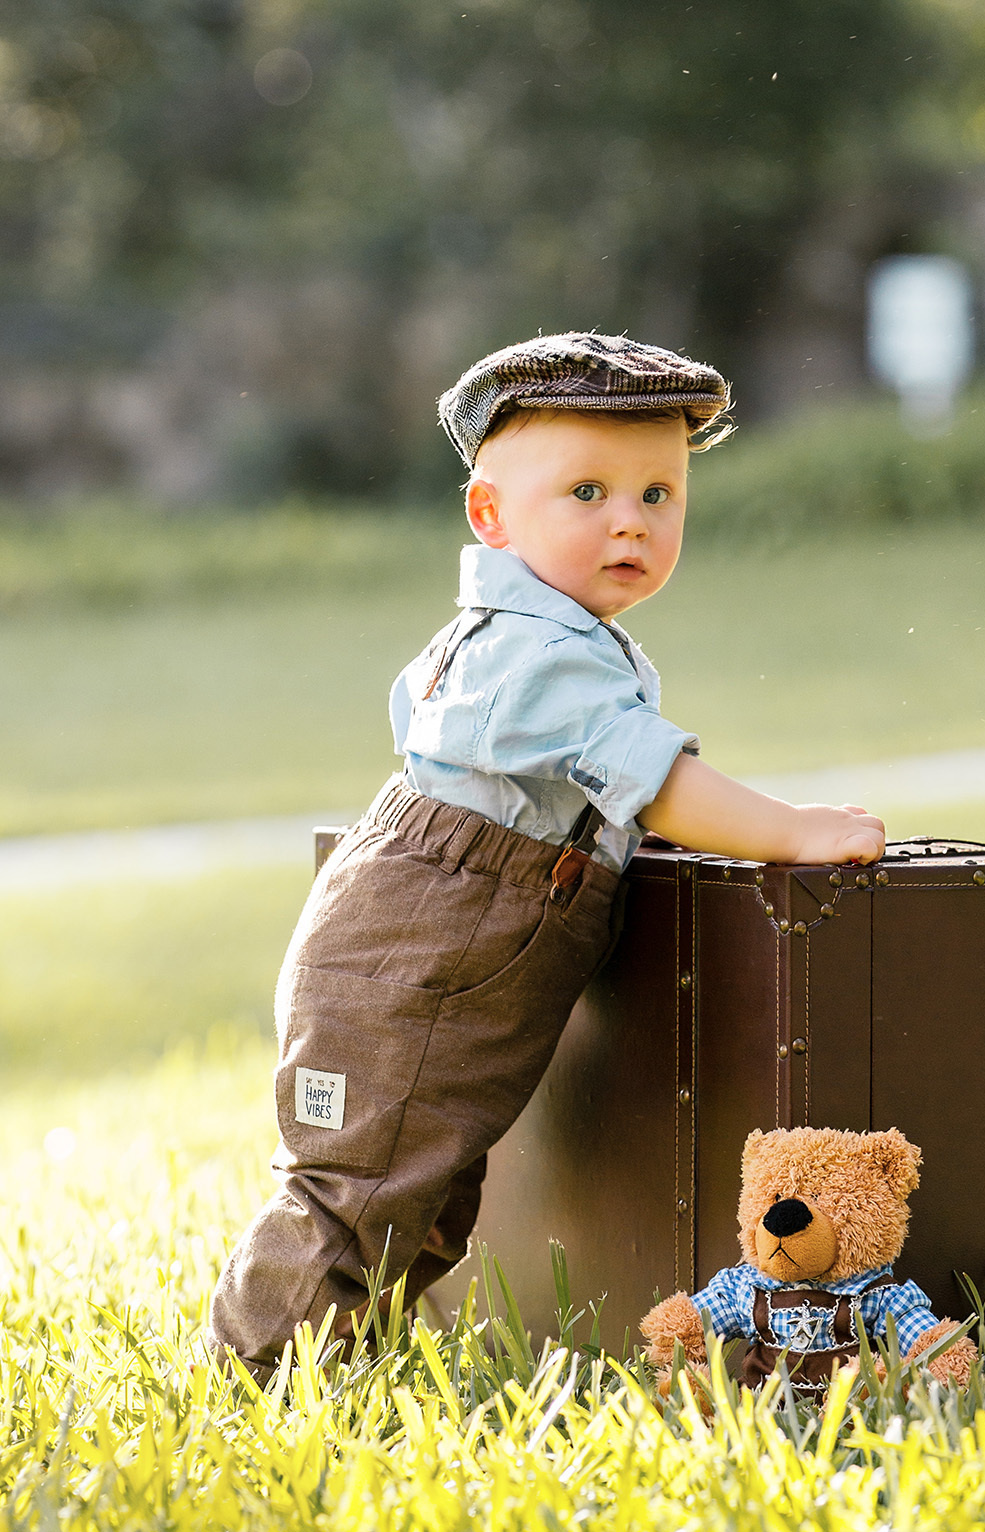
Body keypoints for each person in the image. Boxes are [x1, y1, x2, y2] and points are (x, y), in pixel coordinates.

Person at [208, 331, 885, 1376]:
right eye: (586, 490)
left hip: (443, 959)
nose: (631, 518)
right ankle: (255, 1385)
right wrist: (790, 831)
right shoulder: (529, 653)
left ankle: (343, 1367)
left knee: (427, 1196)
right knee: (357, 1194)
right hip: (410, 964)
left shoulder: (550, 637)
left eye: (660, 494)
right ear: (491, 514)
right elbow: (650, 778)